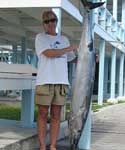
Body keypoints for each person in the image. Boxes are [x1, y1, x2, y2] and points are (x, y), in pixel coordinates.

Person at [35, 10, 77, 150]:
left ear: (56, 21)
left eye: (52, 20)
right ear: (43, 24)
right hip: (45, 81)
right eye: (46, 21)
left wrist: (90, 57)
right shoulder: (40, 38)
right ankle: (42, 146)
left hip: (61, 82)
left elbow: (73, 59)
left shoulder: (64, 39)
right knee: (42, 114)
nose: (50, 23)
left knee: (56, 115)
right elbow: (49, 53)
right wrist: (69, 48)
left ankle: (52, 146)